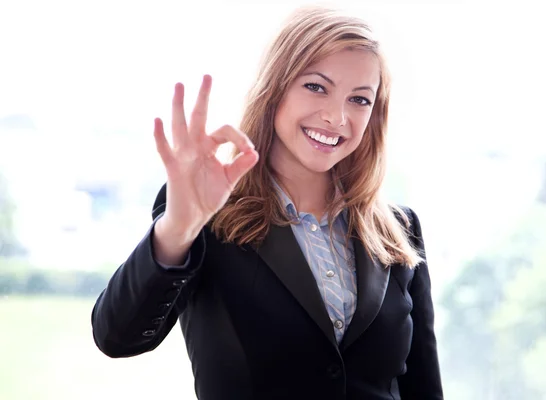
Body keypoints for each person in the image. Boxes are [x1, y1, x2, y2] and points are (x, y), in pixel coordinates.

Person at [91, 5, 444, 400]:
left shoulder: (398, 229)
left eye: (359, 100)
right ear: (275, 86)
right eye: (316, 86)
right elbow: (117, 337)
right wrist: (177, 230)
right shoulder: (210, 214)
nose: (336, 117)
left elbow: (423, 387)